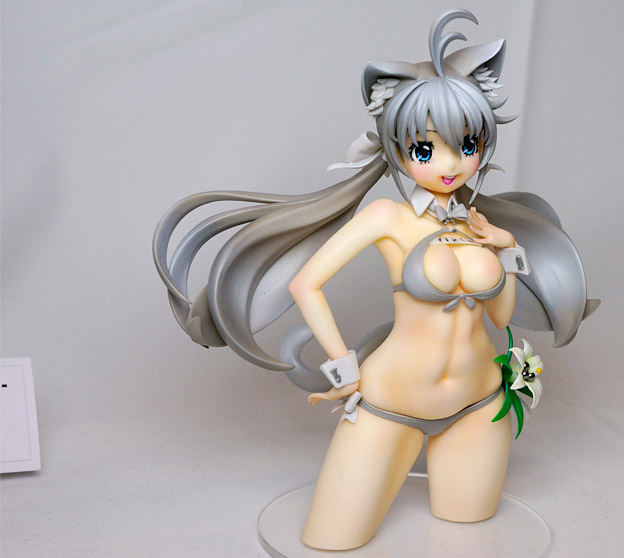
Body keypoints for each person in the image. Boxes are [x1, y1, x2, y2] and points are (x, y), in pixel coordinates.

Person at [153, 9, 597, 550]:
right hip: (390, 404)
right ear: (397, 148)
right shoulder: (387, 218)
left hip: (480, 405)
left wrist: (506, 249)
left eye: (468, 145)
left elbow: (501, 317)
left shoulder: (479, 224)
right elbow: (305, 284)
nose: (452, 164)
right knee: (331, 540)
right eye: (425, 149)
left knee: (471, 533)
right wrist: (343, 368)